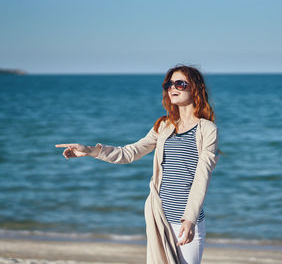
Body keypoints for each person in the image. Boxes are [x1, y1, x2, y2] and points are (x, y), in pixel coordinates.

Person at [55, 64, 220, 264]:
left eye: (180, 83)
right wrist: (91, 150)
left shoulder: (207, 129)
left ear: (194, 87)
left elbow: (203, 175)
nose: (172, 88)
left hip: (187, 220)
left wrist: (190, 218)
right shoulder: (163, 126)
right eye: (169, 84)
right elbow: (129, 153)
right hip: (159, 215)